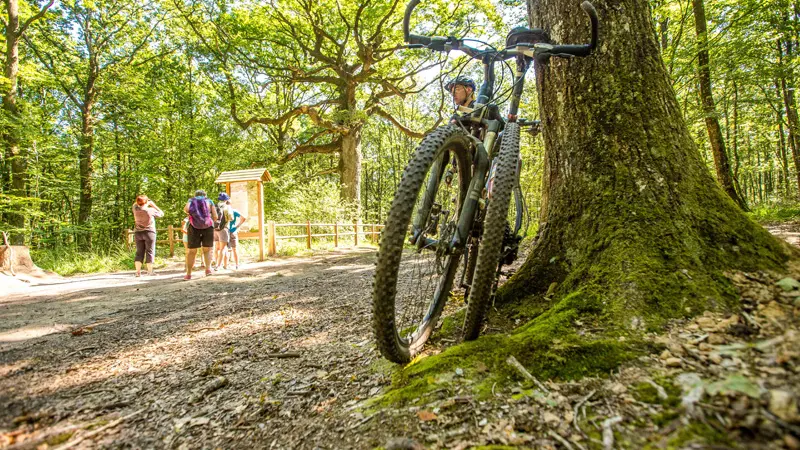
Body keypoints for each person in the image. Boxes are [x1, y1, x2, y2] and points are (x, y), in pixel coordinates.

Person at [184, 190, 218, 280]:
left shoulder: (191, 200)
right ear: (205, 195)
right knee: (207, 249)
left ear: (195, 195)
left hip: (193, 227)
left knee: (191, 251)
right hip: (208, 226)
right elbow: (215, 216)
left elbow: (186, 210)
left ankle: (188, 274)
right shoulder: (209, 201)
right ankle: (208, 269)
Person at [132, 195, 164, 277]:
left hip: (138, 232)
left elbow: (135, 204)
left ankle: (138, 272)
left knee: (139, 252)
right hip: (149, 232)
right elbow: (161, 214)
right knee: (150, 251)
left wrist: (143, 201)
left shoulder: (135, 209)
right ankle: (150, 271)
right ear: (146, 202)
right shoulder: (150, 210)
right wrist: (153, 204)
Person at [224, 199, 247, 269]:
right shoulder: (234, 211)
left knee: (226, 248)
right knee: (234, 248)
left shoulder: (223, 211)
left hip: (225, 230)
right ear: (231, 204)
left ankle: (225, 265)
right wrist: (237, 226)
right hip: (233, 230)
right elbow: (243, 218)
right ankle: (237, 264)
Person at [213, 193, 233, 270]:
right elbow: (231, 218)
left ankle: (223, 265)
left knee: (217, 248)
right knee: (223, 248)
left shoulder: (215, 206)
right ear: (226, 199)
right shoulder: (227, 207)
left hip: (215, 229)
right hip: (224, 228)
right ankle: (218, 266)